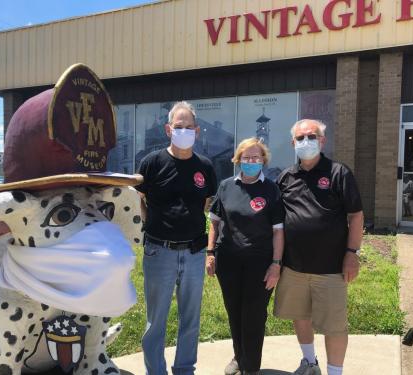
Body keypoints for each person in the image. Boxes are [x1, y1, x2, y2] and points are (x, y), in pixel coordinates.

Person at [273, 119, 364, 375]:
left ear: (322, 141)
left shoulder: (338, 173)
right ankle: (310, 363)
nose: (306, 142)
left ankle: (335, 372)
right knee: (300, 315)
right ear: (293, 143)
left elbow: (356, 216)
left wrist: (352, 254)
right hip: (293, 267)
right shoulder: (285, 177)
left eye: (311, 137)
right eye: (300, 138)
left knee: (334, 326)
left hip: (331, 268)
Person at [136, 101, 217, 375]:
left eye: (189, 127)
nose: (184, 131)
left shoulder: (205, 166)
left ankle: (184, 369)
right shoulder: (151, 163)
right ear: (168, 129)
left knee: (190, 319)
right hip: (159, 252)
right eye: (178, 127)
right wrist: (156, 225)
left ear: (197, 130)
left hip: (194, 252)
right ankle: (155, 371)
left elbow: (204, 203)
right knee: (155, 320)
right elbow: (140, 200)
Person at [206, 137, 285, 375]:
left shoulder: (271, 189)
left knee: (254, 314)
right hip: (228, 261)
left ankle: (251, 368)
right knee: (234, 311)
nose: (251, 161)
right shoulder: (226, 186)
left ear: (263, 160)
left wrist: (276, 264)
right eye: (246, 157)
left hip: (260, 263)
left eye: (256, 157)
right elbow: (215, 223)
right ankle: (239, 357)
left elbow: (278, 232)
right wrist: (210, 253)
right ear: (238, 160)